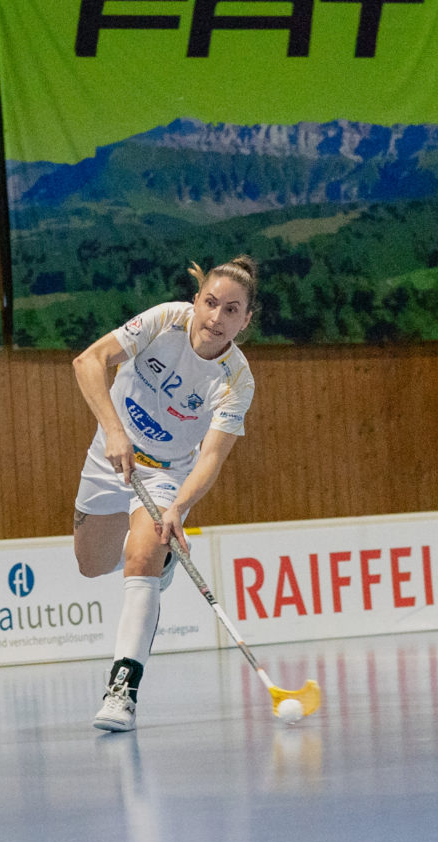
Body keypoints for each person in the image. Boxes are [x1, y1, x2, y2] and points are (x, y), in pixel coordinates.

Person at [71, 255, 258, 732]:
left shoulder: (237, 380)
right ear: (196, 300)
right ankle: (164, 562)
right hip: (110, 451)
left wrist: (177, 509)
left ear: (246, 320)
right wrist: (113, 431)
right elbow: (87, 361)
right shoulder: (164, 321)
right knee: (91, 564)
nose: (216, 318)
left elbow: (212, 457)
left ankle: (122, 689)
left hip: (166, 475)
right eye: (211, 303)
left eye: (231, 311)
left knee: (142, 558)